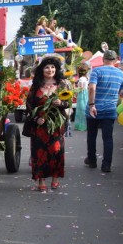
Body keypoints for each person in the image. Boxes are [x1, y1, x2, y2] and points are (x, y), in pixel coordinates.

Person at [25, 56, 70, 192]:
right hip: (39, 126)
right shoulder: (36, 86)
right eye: (46, 67)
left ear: (56, 69)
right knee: (39, 153)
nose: (50, 70)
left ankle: (55, 178)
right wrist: (36, 118)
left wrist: (61, 104)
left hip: (56, 125)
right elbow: (29, 105)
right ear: (42, 70)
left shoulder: (63, 85)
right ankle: (41, 180)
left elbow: (69, 102)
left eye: (52, 67)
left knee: (56, 151)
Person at [85, 50, 123, 173]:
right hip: (110, 110)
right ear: (116, 60)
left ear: (103, 59)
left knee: (91, 136)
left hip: (93, 109)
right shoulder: (122, 75)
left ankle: (92, 160)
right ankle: (106, 165)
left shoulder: (97, 71)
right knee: (108, 138)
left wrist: (92, 104)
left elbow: (92, 87)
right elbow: (122, 93)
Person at [74, 63, 90, 131]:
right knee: (84, 109)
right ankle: (85, 124)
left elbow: (81, 88)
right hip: (85, 94)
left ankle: (81, 125)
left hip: (82, 94)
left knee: (81, 110)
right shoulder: (86, 78)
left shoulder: (81, 79)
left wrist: (74, 90)